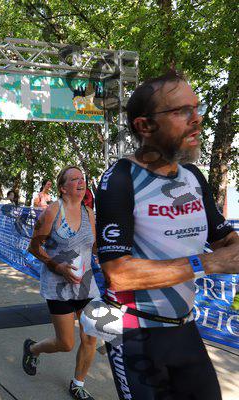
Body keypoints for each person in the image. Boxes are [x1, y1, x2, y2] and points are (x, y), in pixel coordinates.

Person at [95, 70, 238, 399]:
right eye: (182, 111)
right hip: (134, 332)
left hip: (184, 327)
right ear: (145, 126)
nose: (196, 119)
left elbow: (223, 238)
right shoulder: (121, 178)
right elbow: (118, 274)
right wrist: (209, 263)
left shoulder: (192, 176)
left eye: (197, 108)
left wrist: (232, 250)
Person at [23, 166, 100, 400]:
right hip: (58, 287)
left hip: (86, 284)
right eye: (74, 179)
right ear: (63, 188)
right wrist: (57, 267)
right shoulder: (52, 213)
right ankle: (32, 349)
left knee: (91, 336)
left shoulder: (89, 213)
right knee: (66, 343)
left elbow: (94, 247)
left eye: (82, 178)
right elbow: (34, 247)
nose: (81, 181)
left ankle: (77, 384)